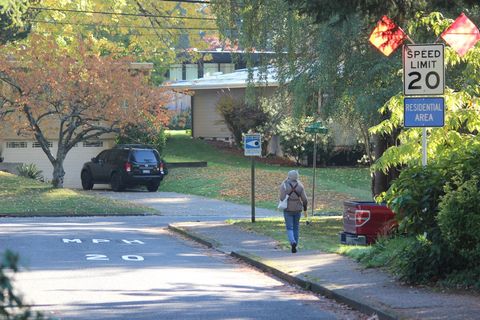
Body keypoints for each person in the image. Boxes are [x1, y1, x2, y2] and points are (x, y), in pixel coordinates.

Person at [279, 170, 308, 253]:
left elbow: (281, 198)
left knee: (289, 227)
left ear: (289, 176)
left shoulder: (284, 185)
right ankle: (296, 245)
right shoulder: (300, 186)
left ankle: (292, 242)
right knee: (296, 227)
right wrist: (305, 207)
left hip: (288, 208)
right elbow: (305, 199)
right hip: (298, 209)